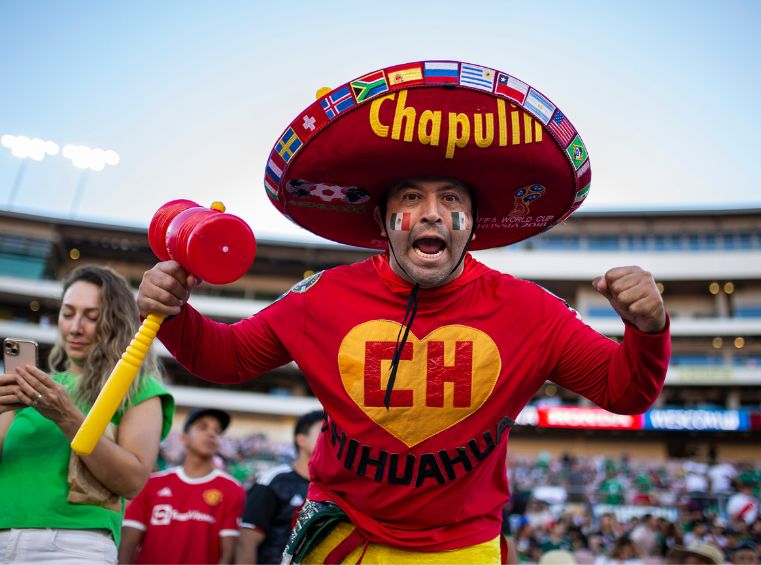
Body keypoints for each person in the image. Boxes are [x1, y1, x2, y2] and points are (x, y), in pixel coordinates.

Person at [136, 60, 671, 563]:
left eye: (452, 200)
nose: (432, 213)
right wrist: (175, 312)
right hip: (340, 539)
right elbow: (224, 359)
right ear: (383, 218)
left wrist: (647, 328)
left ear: (474, 223)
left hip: (463, 549)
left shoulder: (532, 311)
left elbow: (625, 392)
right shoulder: (320, 296)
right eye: (411, 197)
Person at [0, 265, 174, 564]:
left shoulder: (138, 388)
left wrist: (67, 416)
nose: (76, 327)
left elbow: (132, 482)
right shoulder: (33, 385)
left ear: (116, 322)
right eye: (68, 314)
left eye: (92, 317)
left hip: (75, 544)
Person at [119, 408, 245, 564]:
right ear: (184, 438)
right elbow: (127, 544)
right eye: (203, 427)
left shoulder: (232, 490)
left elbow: (228, 554)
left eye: (218, 431)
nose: (211, 434)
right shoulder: (152, 484)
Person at [236, 409, 324, 564]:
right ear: (301, 440)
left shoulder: (337, 487)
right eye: (323, 430)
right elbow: (247, 541)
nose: (330, 438)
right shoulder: (273, 480)